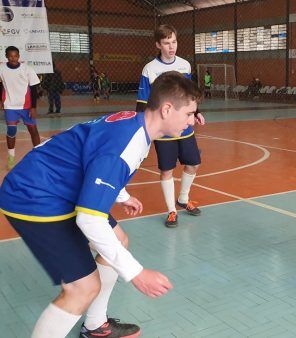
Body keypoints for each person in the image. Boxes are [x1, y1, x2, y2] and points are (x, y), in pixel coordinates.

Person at [0, 71, 202, 338]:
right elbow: (89, 218)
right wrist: (136, 273)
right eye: (189, 114)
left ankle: (95, 326)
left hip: (58, 185)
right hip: (35, 194)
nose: (192, 122)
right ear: (167, 109)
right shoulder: (128, 143)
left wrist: (122, 196)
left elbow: (96, 158)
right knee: (83, 288)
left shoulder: (135, 122)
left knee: (117, 241)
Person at [136, 24, 203, 228]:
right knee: (167, 170)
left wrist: (196, 112)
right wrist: (142, 131)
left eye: (173, 42)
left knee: (193, 164)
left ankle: (183, 199)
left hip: (184, 127)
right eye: (166, 43)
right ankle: (171, 211)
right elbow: (142, 102)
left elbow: (189, 94)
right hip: (164, 129)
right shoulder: (150, 69)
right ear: (158, 44)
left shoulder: (185, 66)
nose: (171, 46)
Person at [0, 46, 42, 170]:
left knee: (33, 130)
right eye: (11, 56)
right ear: (6, 56)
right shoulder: (2, 69)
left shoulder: (27, 69)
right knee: (11, 131)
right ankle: (11, 159)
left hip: (26, 106)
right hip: (10, 106)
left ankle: (38, 156)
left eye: (15, 56)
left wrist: (33, 107)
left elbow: (34, 89)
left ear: (19, 56)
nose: (13, 58)